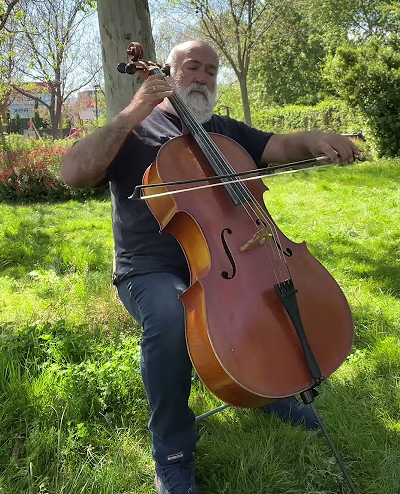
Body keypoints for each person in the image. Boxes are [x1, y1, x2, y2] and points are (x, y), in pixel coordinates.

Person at [60, 40, 360, 494]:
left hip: (235, 256)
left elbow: (278, 145)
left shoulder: (222, 130)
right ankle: (173, 450)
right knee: (170, 316)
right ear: (168, 73)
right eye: (192, 67)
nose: (202, 77)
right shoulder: (134, 131)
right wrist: (133, 110)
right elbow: (73, 173)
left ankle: (268, 389)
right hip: (149, 268)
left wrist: (316, 139)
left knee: (266, 298)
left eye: (211, 71)